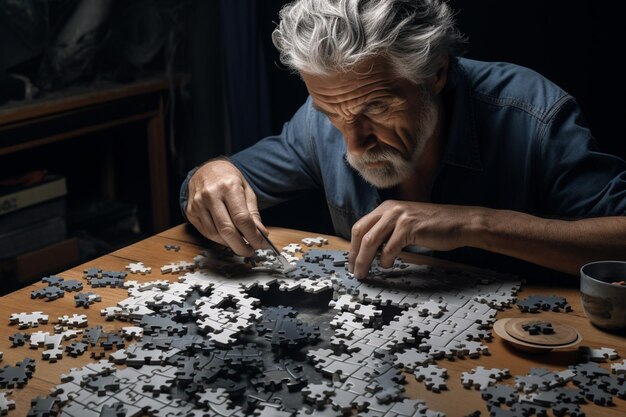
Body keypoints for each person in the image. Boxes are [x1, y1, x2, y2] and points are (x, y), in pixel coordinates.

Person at [180, 0, 626, 280]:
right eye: (331, 113)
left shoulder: (532, 113)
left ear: (435, 72)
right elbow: (209, 190)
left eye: (377, 109)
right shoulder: (323, 116)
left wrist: (475, 223)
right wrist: (211, 173)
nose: (353, 144)